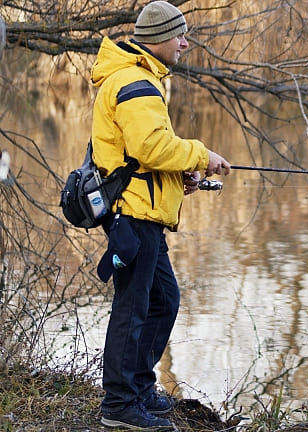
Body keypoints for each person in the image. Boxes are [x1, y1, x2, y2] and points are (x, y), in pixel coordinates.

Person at [90, 1, 231, 429]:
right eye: (179, 35)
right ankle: (119, 405)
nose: (185, 42)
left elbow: (142, 153)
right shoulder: (137, 82)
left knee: (162, 300)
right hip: (135, 216)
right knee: (134, 308)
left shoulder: (141, 78)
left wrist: (180, 177)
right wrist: (202, 155)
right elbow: (149, 149)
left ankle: (136, 386)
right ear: (157, 39)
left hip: (144, 212)